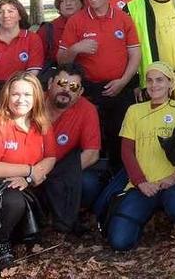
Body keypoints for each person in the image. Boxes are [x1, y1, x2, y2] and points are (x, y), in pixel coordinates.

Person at [105, 62, 175, 251]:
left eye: (160, 80)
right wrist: (140, 182)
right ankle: (142, 220)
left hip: (172, 182)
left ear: (171, 83)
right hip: (142, 185)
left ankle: (171, 218)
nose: (154, 85)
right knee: (120, 242)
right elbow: (126, 150)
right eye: (150, 80)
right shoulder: (134, 111)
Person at [59, 0, 140, 168]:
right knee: (92, 140)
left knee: (121, 139)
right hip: (88, 92)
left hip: (120, 88)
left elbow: (135, 55)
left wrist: (123, 81)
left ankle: (119, 180)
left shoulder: (124, 19)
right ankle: (94, 179)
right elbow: (61, 60)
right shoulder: (76, 21)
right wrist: (76, 48)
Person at [0, 73, 55, 271]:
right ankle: (1, 245)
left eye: (27, 95)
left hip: (27, 182)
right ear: (7, 96)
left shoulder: (42, 123)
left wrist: (29, 177)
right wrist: (29, 170)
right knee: (13, 201)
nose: (21, 100)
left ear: (36, 97)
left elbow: (51, 157)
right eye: (15, 94)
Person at [41, 65, 103, 235]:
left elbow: (92, 154)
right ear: (50, 83)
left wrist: (55, 173)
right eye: (62, 83)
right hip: (30, 169)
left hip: (61, 169)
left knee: (89, 183)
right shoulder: (32, 103)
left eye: (73, 87)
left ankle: (73, 215)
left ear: (80, 92)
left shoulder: (87, 109)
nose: (66, 90)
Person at [0, 0, 44, 95]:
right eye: (0, 12)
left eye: (10, 11)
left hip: (20, 91)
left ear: (20, 15)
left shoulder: (32, 39)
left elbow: (32, 73)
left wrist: (13, 92)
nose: (5, 15)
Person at [37, 0, 84, 73]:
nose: (68, 3)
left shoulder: (91, 25)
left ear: (81, 2)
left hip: (90, 80)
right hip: (60, 81)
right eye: (63, 0)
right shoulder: (47, 30)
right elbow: (38, 62)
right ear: (58, 4)